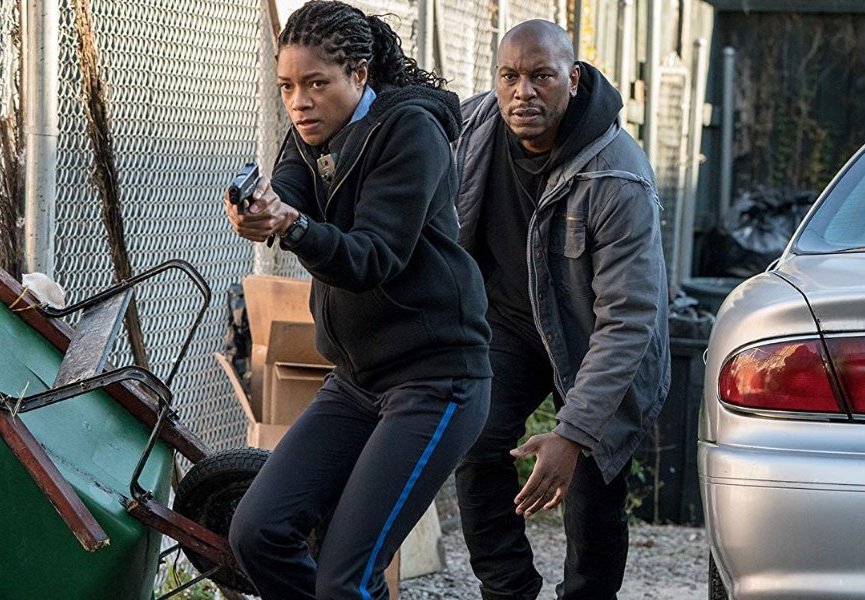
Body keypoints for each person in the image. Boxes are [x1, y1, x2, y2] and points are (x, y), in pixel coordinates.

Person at [223, 2, 492, 598]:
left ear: (361, 75)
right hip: (356, 379)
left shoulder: (411, 132)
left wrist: (290, 227)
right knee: (257, 531)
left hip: (435, 381)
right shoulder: (310, 130)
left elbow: (372, 257)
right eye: (288, 86)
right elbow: (288, 190)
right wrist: (262, 211)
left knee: (347, 577)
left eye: (317, 83)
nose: (299, 101)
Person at [452, 19, 671, 600]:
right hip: (511, 325)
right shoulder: (471, 129)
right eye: (510, 77)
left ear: (572, 80)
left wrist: (572, 435)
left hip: (595, 335)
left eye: (541, 76)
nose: (523, 91)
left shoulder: (617, 172)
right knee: (474, 437)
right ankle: (508, 589)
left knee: (593, 490)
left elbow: (627, 319)